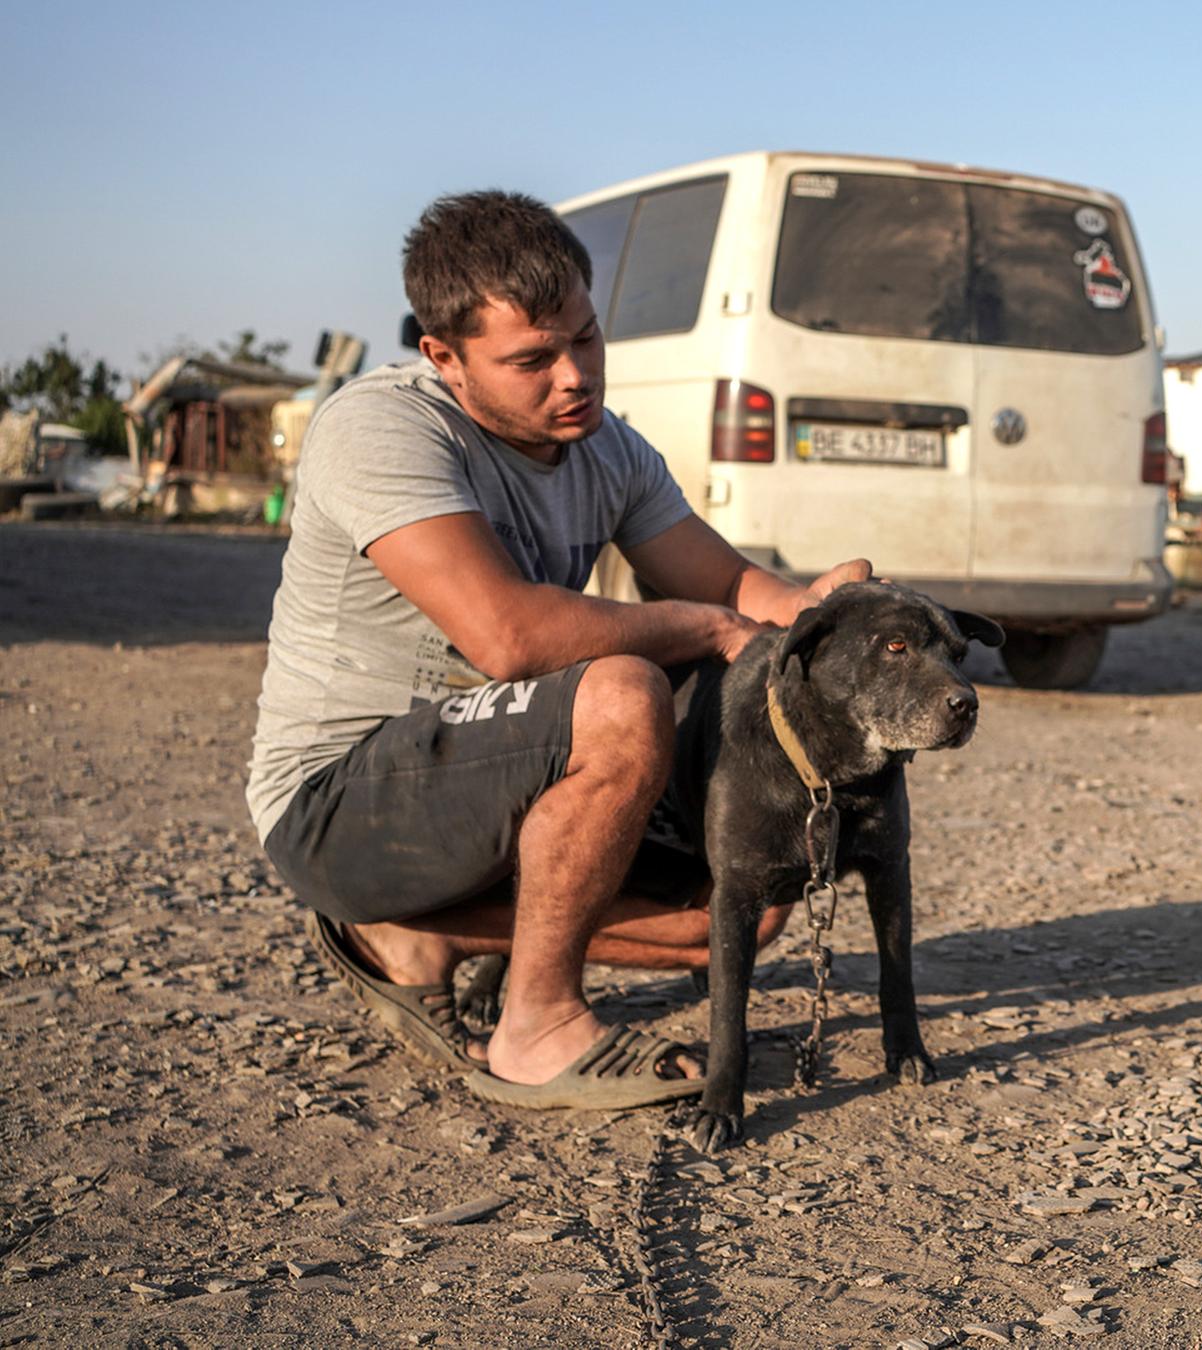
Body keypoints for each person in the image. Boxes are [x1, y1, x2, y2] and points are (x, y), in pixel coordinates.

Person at [246, 190, 869, 1111]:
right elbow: (511, 637)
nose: (574, 376)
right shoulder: (381, 428)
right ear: (444, 358)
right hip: (339, 809)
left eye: (585, 338)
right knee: (622, 693)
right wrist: (705, 628)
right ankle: (534, 1027)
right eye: (532, 360)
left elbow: (738, 589)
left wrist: (823, 610)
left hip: (491, 784)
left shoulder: (608, 449)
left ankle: (421, 935)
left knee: (739, 901)